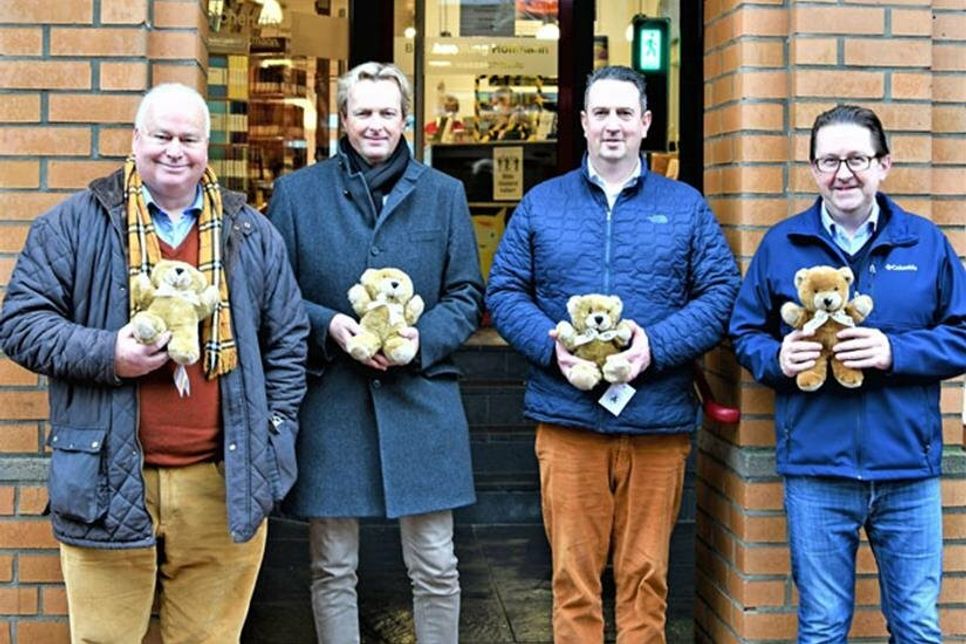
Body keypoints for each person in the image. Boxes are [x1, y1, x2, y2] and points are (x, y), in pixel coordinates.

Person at [0, 83, 309, 642]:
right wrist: (109, 354)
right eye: (161, 135)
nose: (174, 150)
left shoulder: (251, 233)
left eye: (188, 138)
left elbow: (288, 340)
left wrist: (273, 431)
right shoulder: (72, 225)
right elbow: (20, 326)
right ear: (136, 139)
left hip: (223, 480)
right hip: (106, 477)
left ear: (206, 147)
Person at [485, 65, 740, 643]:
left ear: (646, 123)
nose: (612, 125)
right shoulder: (542, 204)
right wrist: (556, 353)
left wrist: (657, 347)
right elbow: (503, 290)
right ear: (581, 123)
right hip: (567, 419)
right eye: (600, 113)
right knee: (573, 578)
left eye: (625, 113)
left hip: (656, 421)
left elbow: (721, 291)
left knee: (645, 575)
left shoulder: (684, 206)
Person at [729, 104, 966, 642]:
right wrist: (776, 360)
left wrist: (893, 352)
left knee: (917, 627)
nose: (843, 173)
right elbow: (745, 333)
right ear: (813, 169)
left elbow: (963, 333)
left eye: (857, 158)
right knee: (821, 627)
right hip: (817, 467)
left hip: (907, 468)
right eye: (829, 160)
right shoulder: (782, 244)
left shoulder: (925, 244)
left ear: (884, 164)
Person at [266, 62, 483, 643]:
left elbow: (466, 294)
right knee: (332, 566)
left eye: (388, 112)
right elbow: (275, 296)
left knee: (436, 564)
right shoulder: (296, 194)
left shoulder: (445, 195)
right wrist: (330, 324)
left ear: (406, 118)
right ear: (342, 119)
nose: (376, 125)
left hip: (422, 398)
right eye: (363, 112)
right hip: (334, 400)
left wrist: (423, 340)